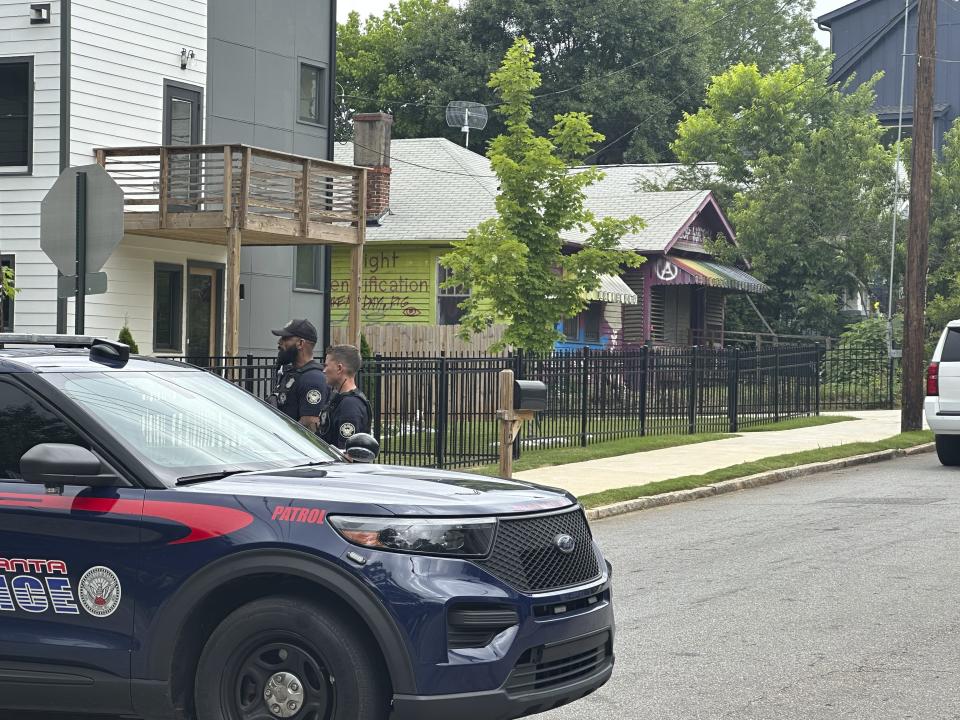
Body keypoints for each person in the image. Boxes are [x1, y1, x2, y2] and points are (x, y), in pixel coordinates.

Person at [266, 319, 329, 433]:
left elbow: (310, 428)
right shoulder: (292, 373)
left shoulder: (313, 378)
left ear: (300, 343)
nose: (279, 343)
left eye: (285, 338)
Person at [319, 344, 372, 448]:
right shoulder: (340, 399)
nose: (324, 370)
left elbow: (347, 455)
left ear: (339, 368)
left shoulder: (350, 405)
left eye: (326, 366)